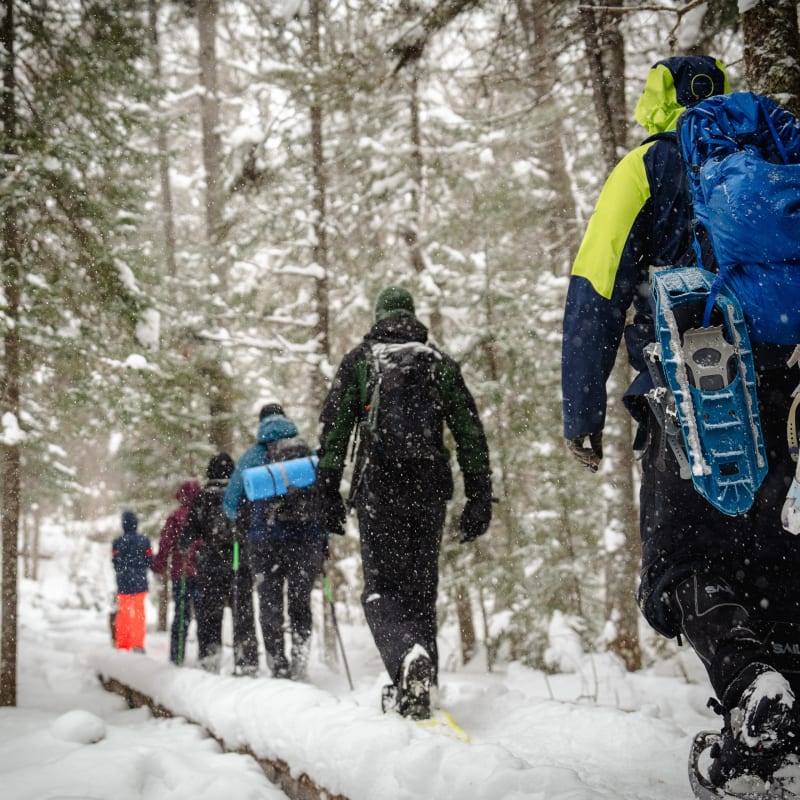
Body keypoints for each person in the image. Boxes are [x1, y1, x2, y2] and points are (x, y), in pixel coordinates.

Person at [561, 55, 800, 786]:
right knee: (778, 565)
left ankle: (753, 688)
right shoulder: (776, 162)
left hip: (693, 397)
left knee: (682, 565)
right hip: (785, 396)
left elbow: (595, 288)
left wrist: (582, 411)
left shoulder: (646, 169)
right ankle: (781, 729)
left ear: (654, 99)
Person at [316, 286, 492, 720]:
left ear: (378, 317)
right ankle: (423, 682)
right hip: (429, 489)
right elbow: (469, 432)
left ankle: (405, 663)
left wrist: (327, 491)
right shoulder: (438, 364)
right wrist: (479, 495)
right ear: (411, 317)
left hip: (380, 489)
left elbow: (335, 432)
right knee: (420, 589)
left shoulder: (361, 362)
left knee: (382, 589)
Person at [223, 404, 327, 680]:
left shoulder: (252, 457)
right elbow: (323, 497)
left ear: (261, 424)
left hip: (265, 542)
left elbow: (230, 505)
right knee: (300, 602)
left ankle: (278, 665)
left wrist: (250, 520)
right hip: (306, 540)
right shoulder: (305, 453)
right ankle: (300, 661)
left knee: (270, 604)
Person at [182, 452, 259, 675]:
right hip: (239, 562)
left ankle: (209, 659)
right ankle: (247, 661)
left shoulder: (203, 496)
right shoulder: (241, 493)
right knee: (242, 613)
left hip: (211, 563)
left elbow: (189, 531)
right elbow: (251, 524)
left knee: (209, 615)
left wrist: (184, 545)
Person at [151, 479, 201, 665]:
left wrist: (158, 564)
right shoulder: (203, 514)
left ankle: (177, 656)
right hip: (202, 572)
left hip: (181, 573)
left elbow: (166, 545)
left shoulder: (175, 517)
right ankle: (206, 654)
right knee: (204, 615)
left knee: (182, 615)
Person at [111, 510, 153, 652]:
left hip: (123, 583)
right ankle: (138, 644)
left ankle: (123, 644)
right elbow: (149, 560)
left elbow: (115, 562)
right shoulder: (144, 541)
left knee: (124, 614)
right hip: (140, 583)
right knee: (139, 615)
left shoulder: (117, 542)